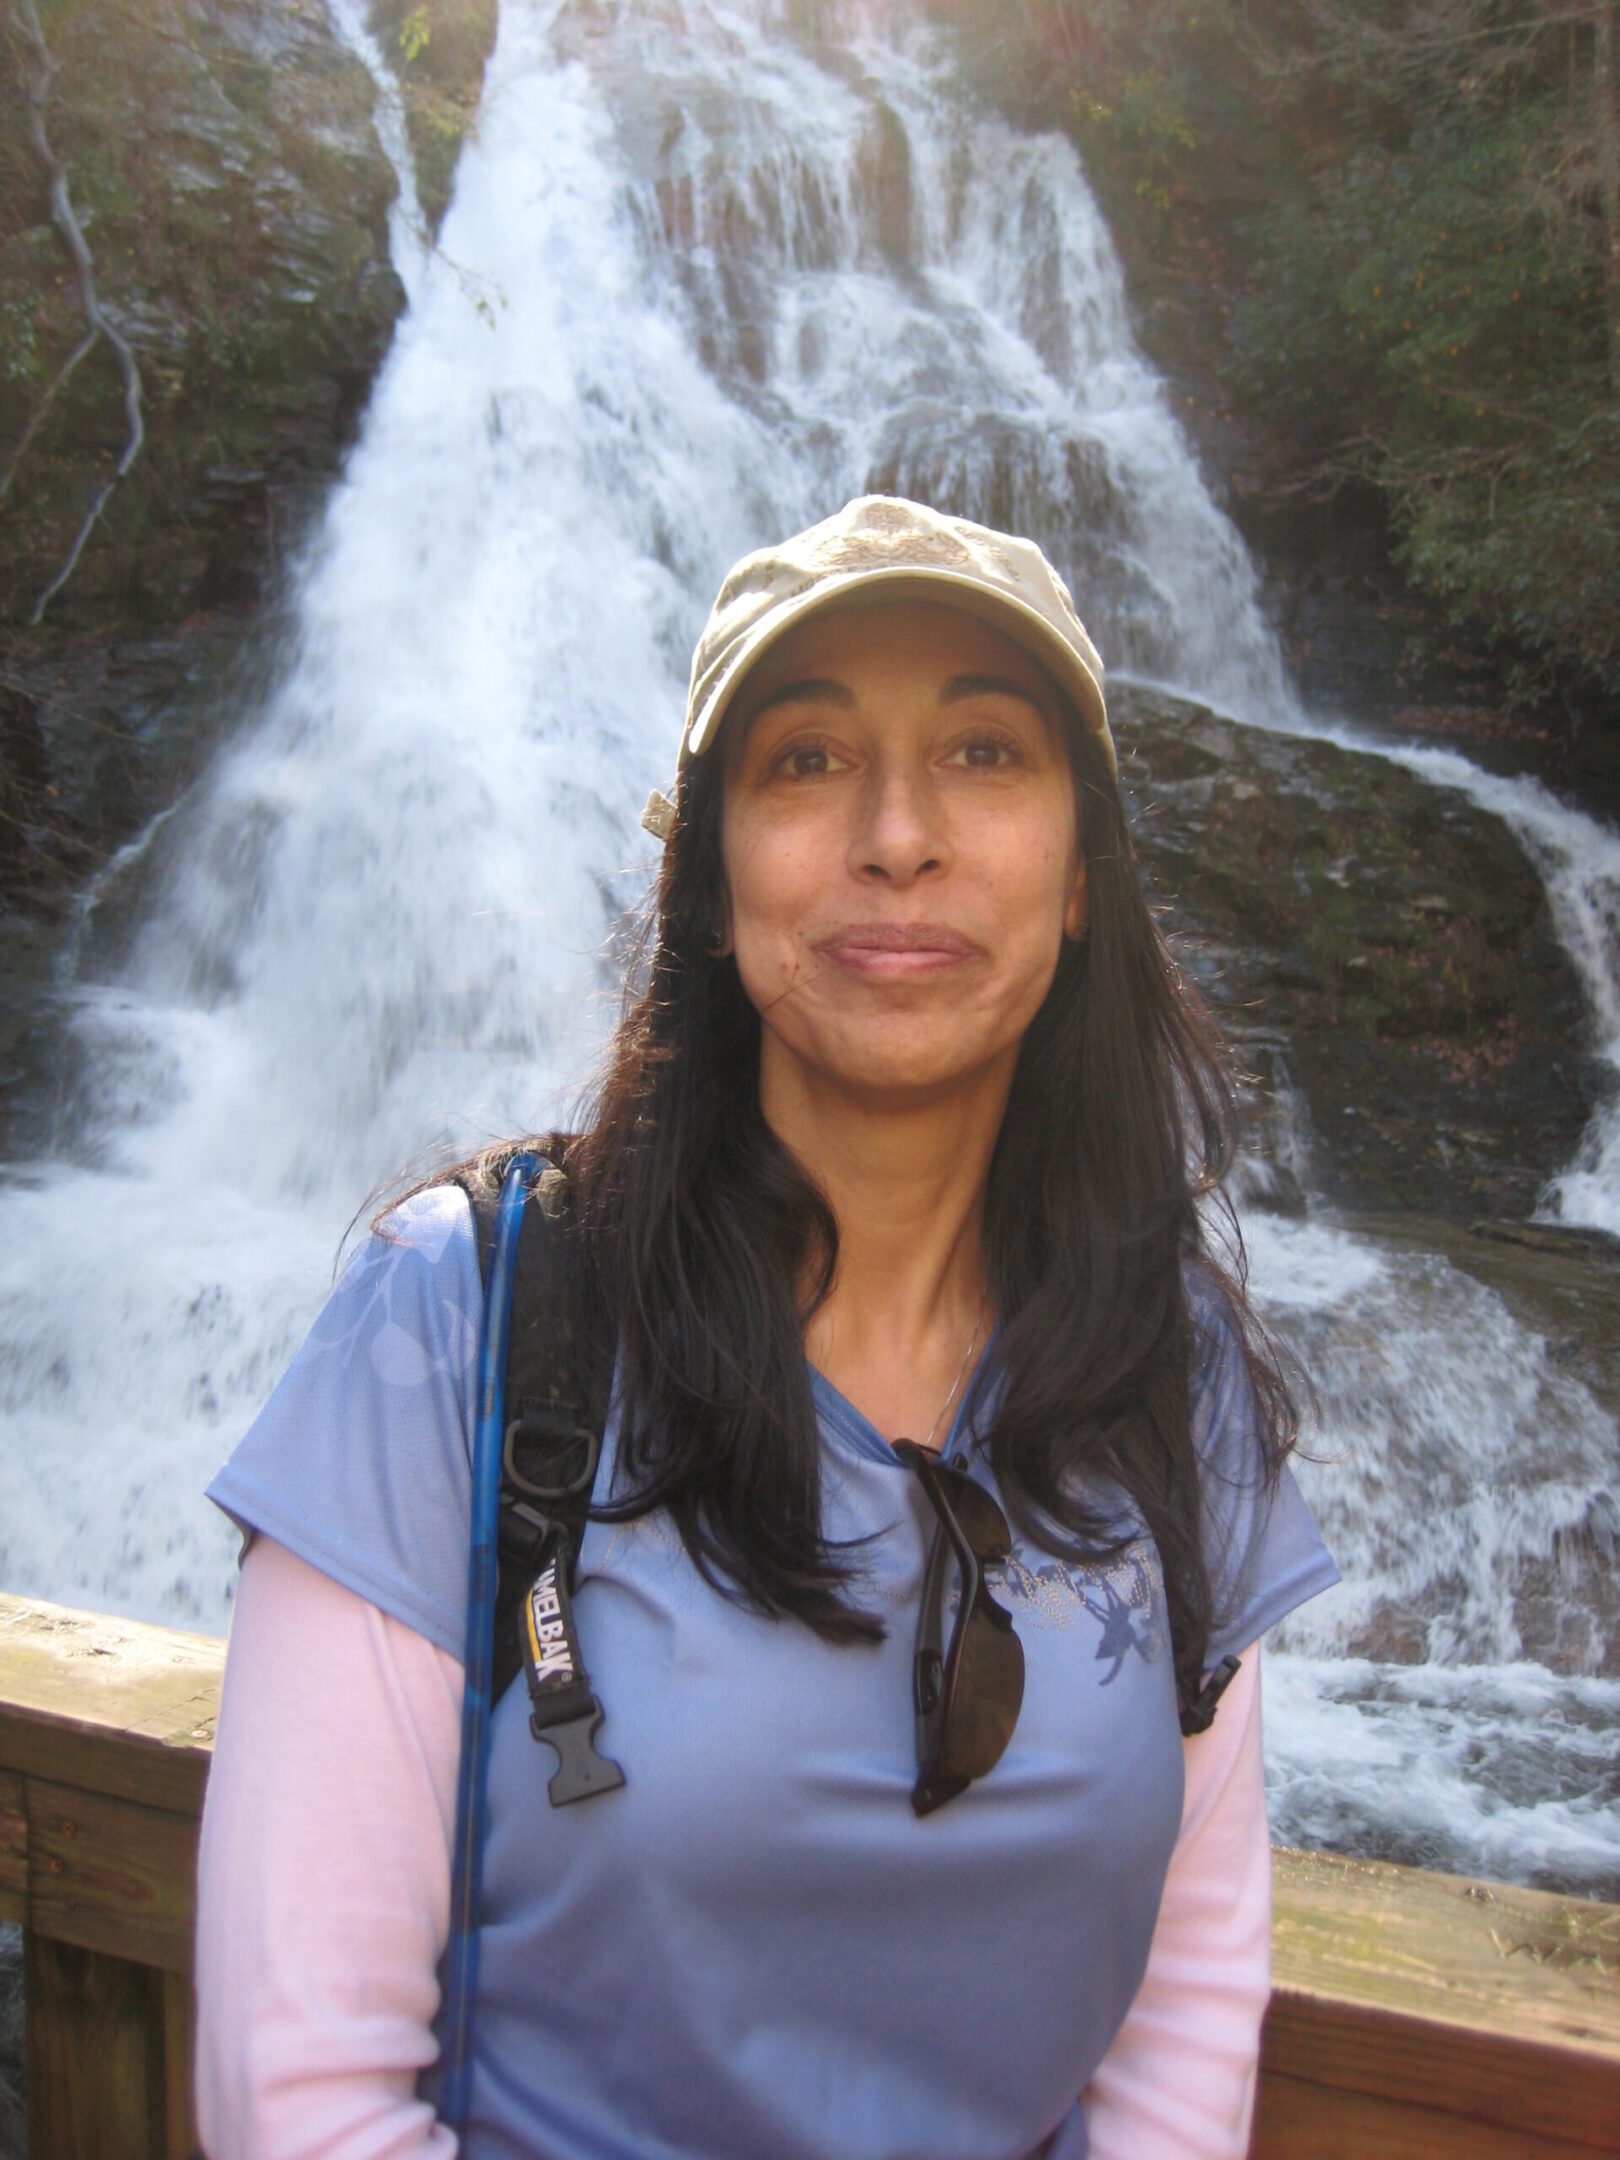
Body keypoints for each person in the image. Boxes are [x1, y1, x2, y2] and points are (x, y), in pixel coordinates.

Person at [194, 495, 1338, 2160]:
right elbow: (297, 2098)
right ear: (712, 880)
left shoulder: (1164, 1363)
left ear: (1082, 878)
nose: (896, 834)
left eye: (986, 753)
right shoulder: (464, 1321)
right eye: (805, 760)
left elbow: (1184, 1995)